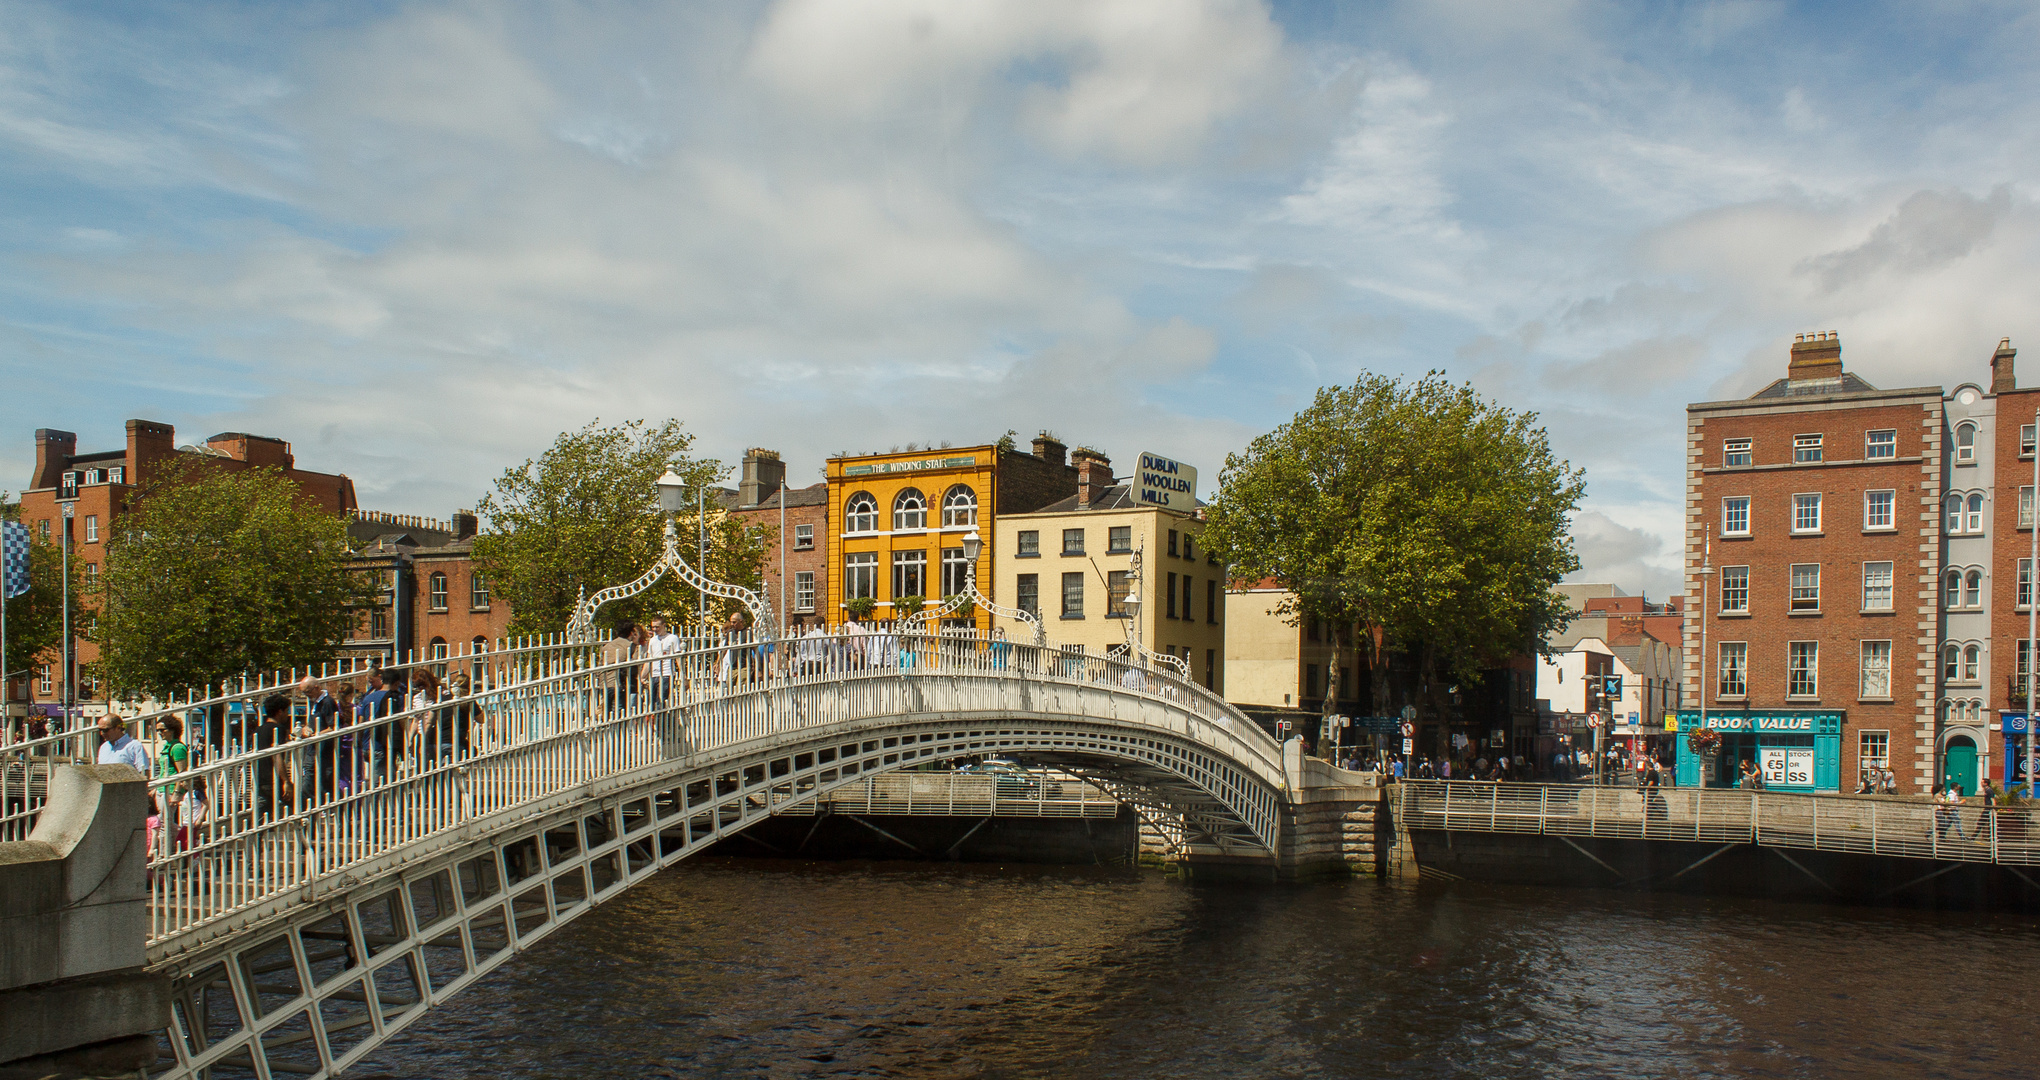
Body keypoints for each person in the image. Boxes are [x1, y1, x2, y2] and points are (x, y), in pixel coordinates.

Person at [251, 695, 292, 821]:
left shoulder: (259, 729)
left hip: (261, 778)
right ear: (280, 711)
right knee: (302, 804)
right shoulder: (278, 729)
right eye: (286, 711)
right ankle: (305, 835)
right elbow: (277, 755)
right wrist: (286, 781)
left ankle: (255, 839)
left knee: (262, 815)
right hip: (274, 779)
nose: (287, 714)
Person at [152, 715, 189, 802]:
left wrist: (176, 793)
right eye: (158, 730)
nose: (160, 733)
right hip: (161, 789)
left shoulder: (177, 747)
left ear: (172, 730)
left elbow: (182, 772)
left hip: (170, 790)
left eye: (162, 730)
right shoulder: (167, 746)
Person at [645, 618, 682, 706]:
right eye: (653, 627)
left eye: (657, 627)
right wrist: (643, 676)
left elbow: (678, 657)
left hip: (666, 673)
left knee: (661, 701)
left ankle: (662, 719)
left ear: (664, 625)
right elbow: (649, 659)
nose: (655, 629)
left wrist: (682, 674)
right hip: (654, 674)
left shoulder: (672, 638)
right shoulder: (653, 640)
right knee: (651, 702)